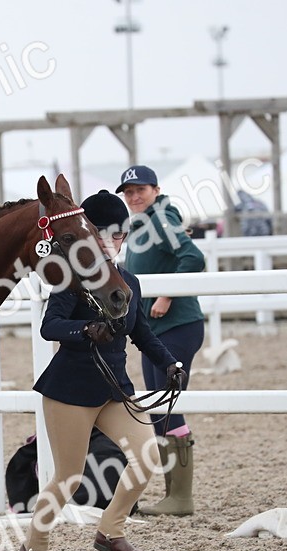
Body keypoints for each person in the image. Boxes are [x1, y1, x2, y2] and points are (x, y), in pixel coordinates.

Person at [16, 189, 186, 551]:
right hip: (70, 392)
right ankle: (35, 545)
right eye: (102, 235)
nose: (110, 243)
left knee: (147, 457)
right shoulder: (70, 280)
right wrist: (86, 329)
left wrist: (170, 363)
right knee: (69, 477)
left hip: (113, 390)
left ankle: (110, 531)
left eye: (118, 235)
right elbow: (50, 327)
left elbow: (142, 333)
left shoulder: (128, 282)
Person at [117, 166, 206, 517]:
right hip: (157, 329)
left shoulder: (160, 219)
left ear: (155, 189)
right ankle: (174, 496)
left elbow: (194, 258)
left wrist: (167, 294)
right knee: (158, 406)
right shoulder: (147, 222)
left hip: (176, 325)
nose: (134, 197)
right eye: (128, 192)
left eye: (140, 190)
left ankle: (181, 497)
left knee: (166, 404)